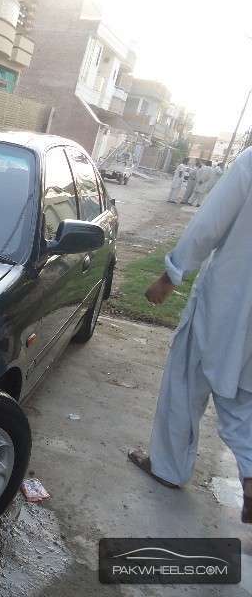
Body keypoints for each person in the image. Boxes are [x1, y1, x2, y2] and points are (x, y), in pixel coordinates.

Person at [129, 146, 252, 524]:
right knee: (243, 403)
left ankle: (168, 468)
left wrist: (171, 275)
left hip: (229, 303)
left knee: (185, 380)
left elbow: (209, 225)